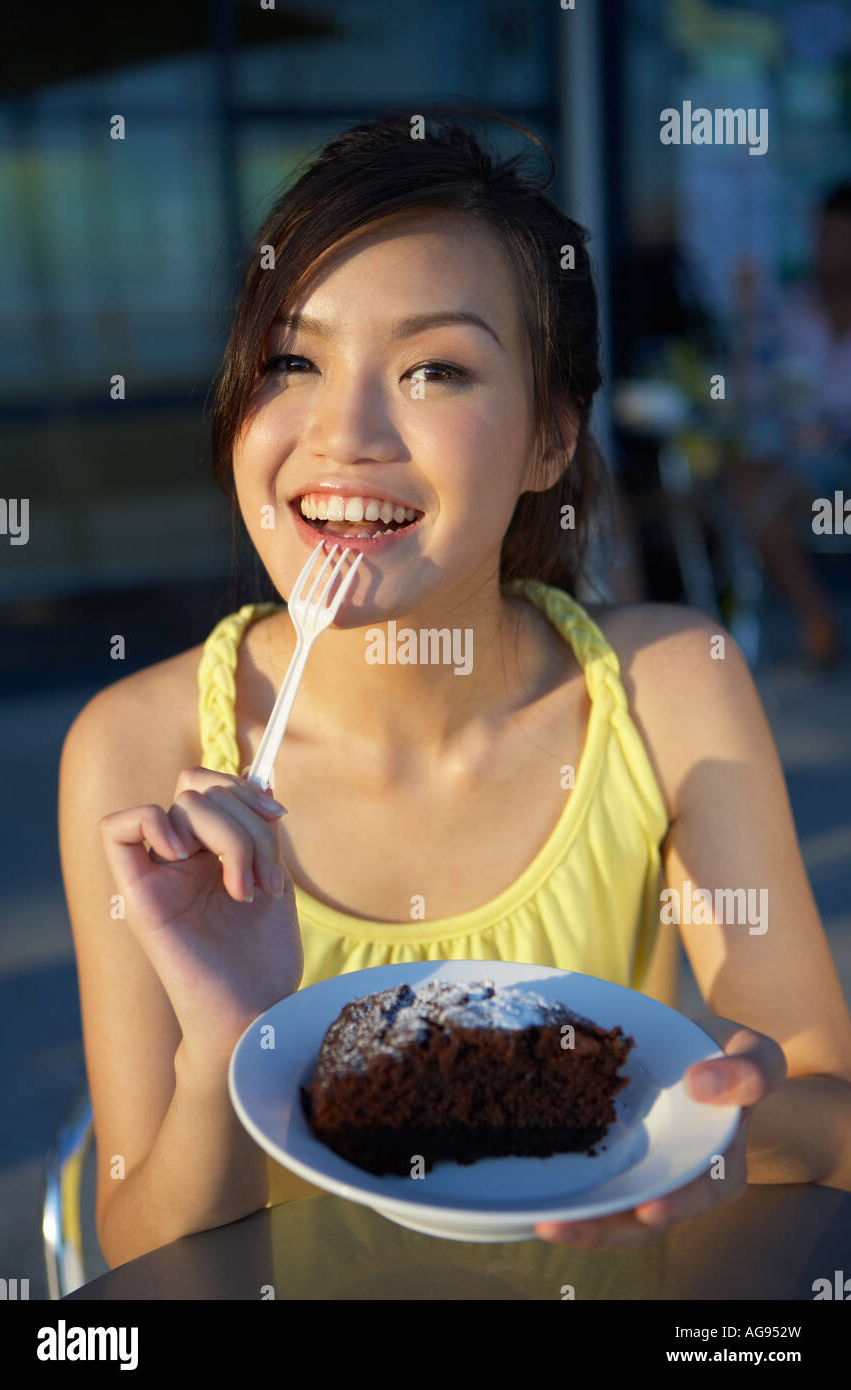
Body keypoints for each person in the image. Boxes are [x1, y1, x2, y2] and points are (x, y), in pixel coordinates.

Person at [59, 111, 851, 1280]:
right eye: (292, 359)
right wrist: (223, 1037)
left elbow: (827, 1123)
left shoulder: (667, 690)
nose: (344, 433)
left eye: (436, 368)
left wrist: (733, 1124)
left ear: (548, 438)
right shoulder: (139, 749)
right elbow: (141, 1250)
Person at [729, 181, 851, 665]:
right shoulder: (788, 310)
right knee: (747, 487)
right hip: (802, 473)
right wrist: (743, 318)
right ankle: (818, 619)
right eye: (824, 239)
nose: (829, 252)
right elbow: (751, 392)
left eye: (840, 240)